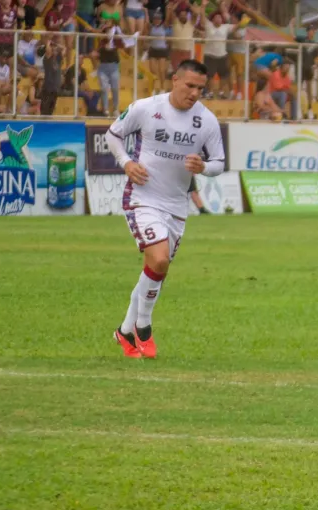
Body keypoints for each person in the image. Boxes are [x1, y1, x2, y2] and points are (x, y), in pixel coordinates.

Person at [106, 59, 225, 359]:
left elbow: (219, 164)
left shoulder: (206, 120)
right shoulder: (146, 108)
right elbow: (113, 134)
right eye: (190, 85)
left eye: (200, 88)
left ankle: (123, 332)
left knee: (155, 270)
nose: (195, 93)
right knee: (159, 260)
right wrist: (127, 163)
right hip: (142, 197)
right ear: (175, 80)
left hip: (176, 206)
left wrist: (204, 167)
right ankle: (143, 325)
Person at [147, 10, 171, 95]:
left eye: (159, 19)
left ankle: (162, 88)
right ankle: (155, 87)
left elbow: (168, 19)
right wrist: (146, 12)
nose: (157, 20)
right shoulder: (150, 27)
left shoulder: (164, 26)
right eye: (155, 19)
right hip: (153, 49)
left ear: (161, 20)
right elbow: (146, 22)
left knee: (161, 70)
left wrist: (169, 9)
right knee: (153, 70)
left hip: (162, 50)